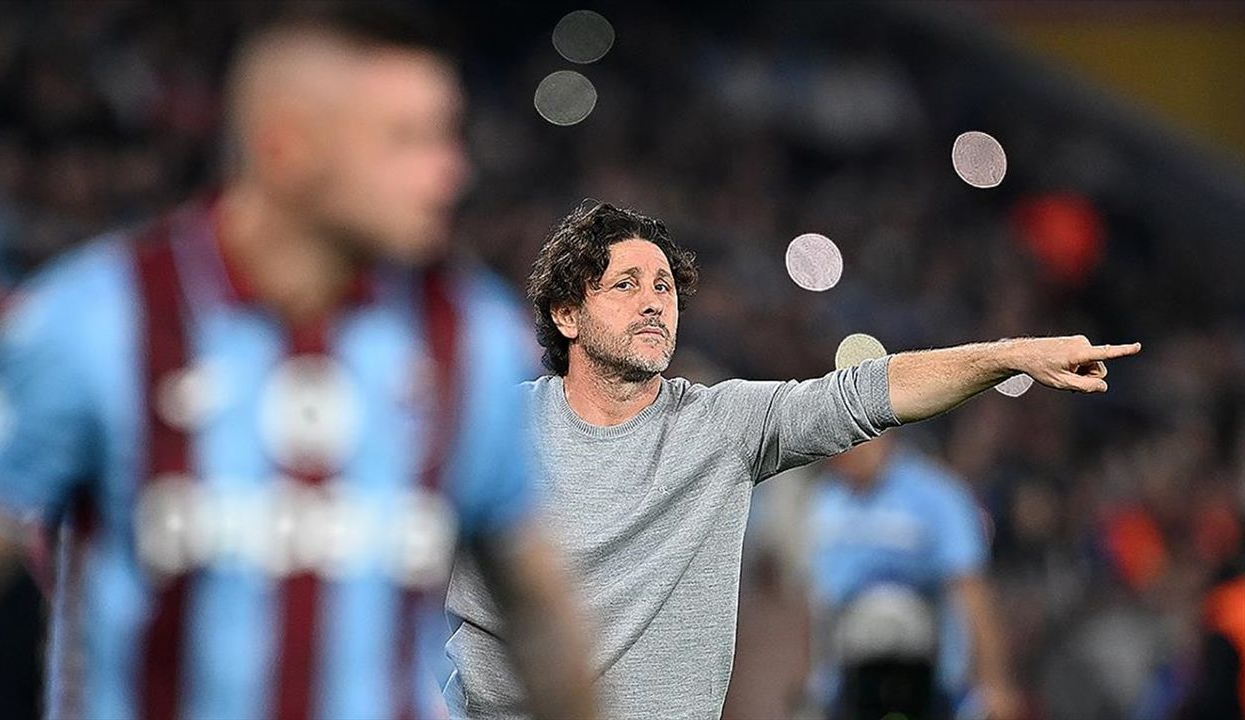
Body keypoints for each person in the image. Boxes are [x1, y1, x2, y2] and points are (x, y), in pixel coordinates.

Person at [0, 7, 595, 720]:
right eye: (408, 140)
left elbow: (541, 615)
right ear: (285, 148)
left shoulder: (473, 337)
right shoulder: (98, 319)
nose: (452, 171)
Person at [444, 199, 1141, 719]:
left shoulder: (723, 427)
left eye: (664, 287)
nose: (654, 303)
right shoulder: (490, 422)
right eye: (626, 284)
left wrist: (1007, 356)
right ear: (566, 315)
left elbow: (871, 391)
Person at [806, 435, 1018, 720]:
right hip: (847, 682)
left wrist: (995, 683)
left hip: (926, 682)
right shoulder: (824, 500)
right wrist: (815, 686)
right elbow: (813, 600)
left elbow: (972, 592)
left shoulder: (937, 494)